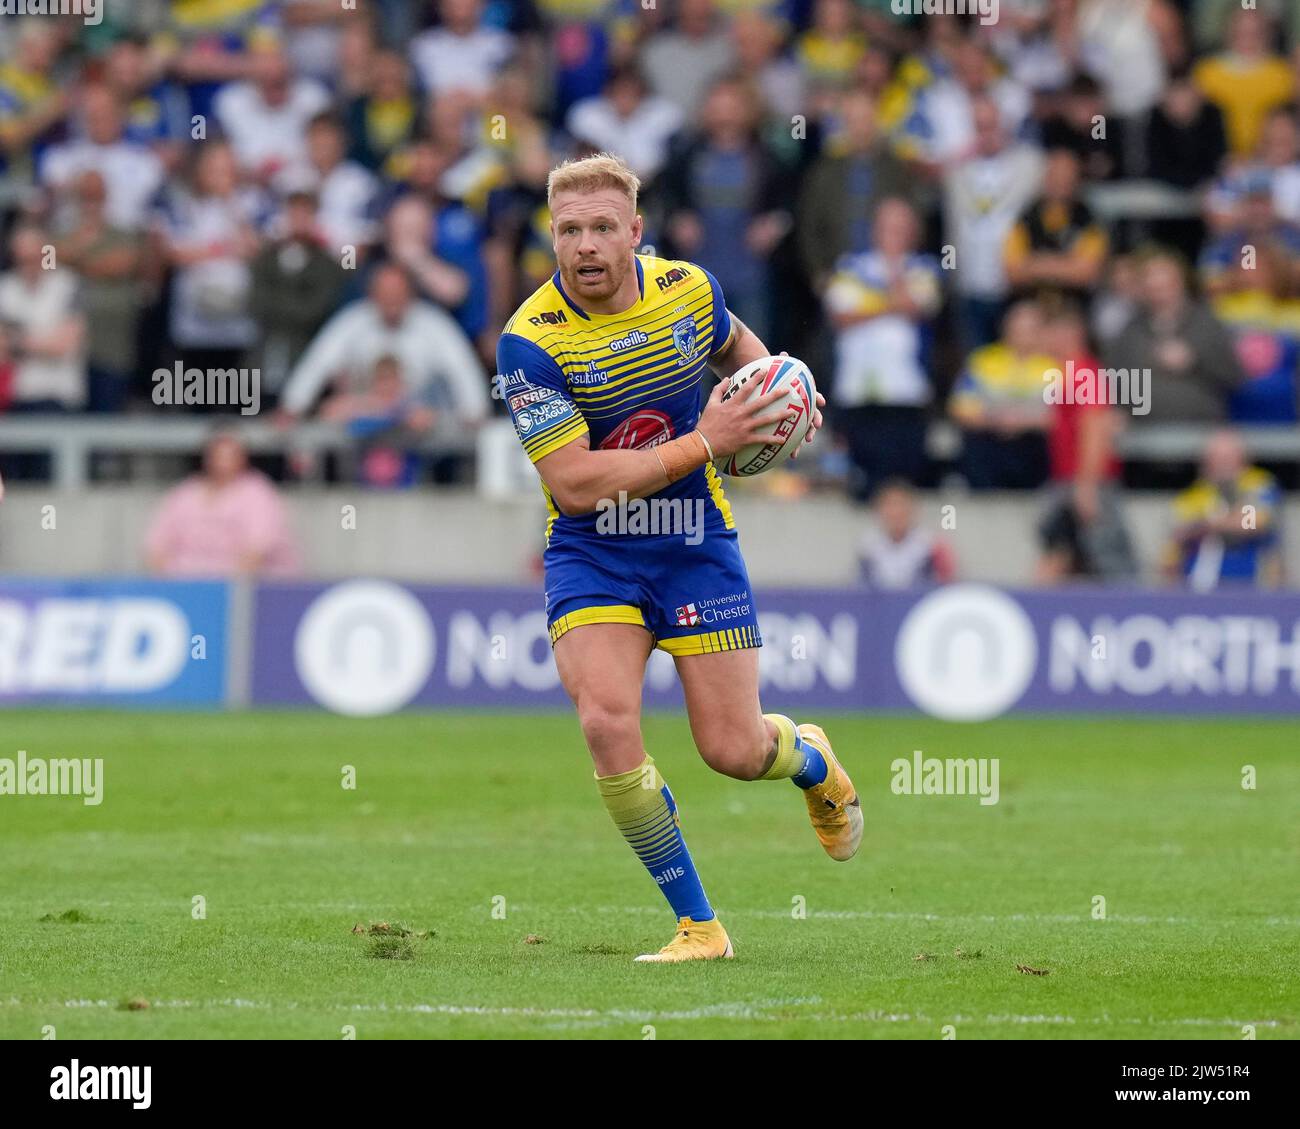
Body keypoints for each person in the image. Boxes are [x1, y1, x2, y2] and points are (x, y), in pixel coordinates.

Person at [495, 153, 859, 964]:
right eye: (567, 231)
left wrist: (779, 393)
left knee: (734, 750)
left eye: (600, 228)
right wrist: (709, 440)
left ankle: (810, 759)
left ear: (635, 234)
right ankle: (701, 925)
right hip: (594, 549)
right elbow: (576, 481)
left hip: (695, 540)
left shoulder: (689, 291)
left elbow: (738, 351)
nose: (584, 246)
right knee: (604, 719)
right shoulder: (529, 343)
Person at [146, 431, 301, 577]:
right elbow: (156, 546)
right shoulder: (185, 493)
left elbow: (257, 552)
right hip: (187, 587)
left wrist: (221, 589)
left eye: (230, 456)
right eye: (218, 456)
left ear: (243, 458)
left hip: (248, 591)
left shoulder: (258, 493)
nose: (223, 462)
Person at [1162, 429, 1284, 589]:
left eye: (1229, 457)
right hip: (1200, 584)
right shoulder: (1193, 495)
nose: (1223, 463)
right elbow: (1177, 535)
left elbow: (1252, 523)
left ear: (1243, 458)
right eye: (1216, 458)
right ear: (1205, 462)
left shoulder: (1258, 484)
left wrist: (1207, 524)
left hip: (1255, 582)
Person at [858, 479, 956, 589]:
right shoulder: (868, 547)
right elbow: (864, 588)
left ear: (913, 508)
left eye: (901, 504)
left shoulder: (932, 545)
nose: (896, 512)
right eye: (889, 505)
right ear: (878, 510)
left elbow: (945, 586)